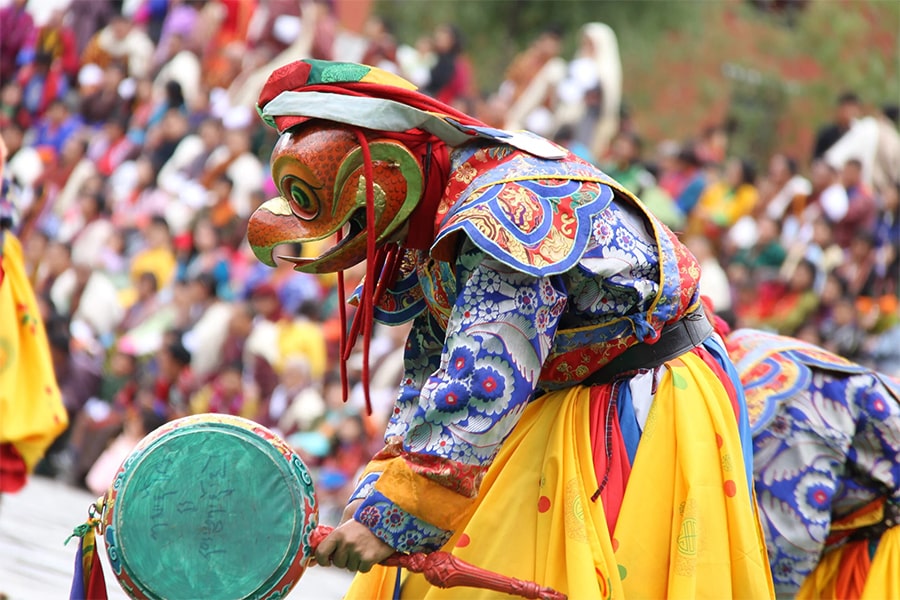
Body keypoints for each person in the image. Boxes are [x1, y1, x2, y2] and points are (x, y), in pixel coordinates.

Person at [247, 59, 773, 598]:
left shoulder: (502, 208)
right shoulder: (442, 203)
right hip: (561, 399)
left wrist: (389, 517)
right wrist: (377, 493)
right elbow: (433, 364)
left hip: (637, 401)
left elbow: (488, 374)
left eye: (358, 221)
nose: (362, 239)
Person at [726, 327, 900, 598]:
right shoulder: (740, 352)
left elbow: (786, 545)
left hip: (882, 552)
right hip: (852, 542)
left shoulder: (771, 403)